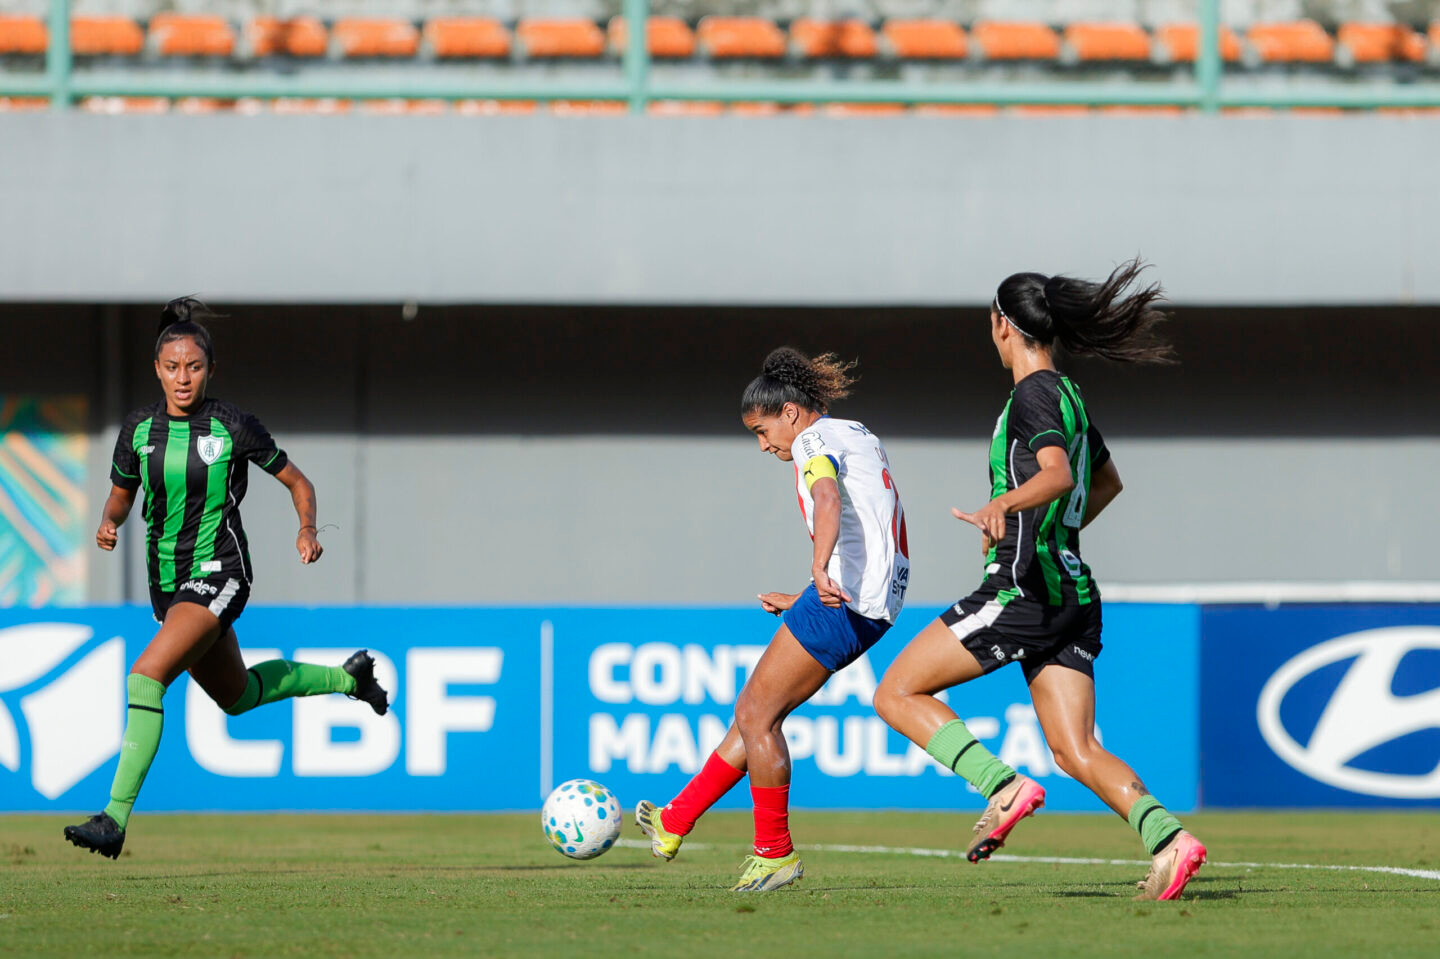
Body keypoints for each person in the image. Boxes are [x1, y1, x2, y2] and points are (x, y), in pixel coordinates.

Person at [872, 259, 1207, 901]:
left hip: (1023, 589)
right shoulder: (1069, 394)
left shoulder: (1032, 394)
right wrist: (1049, 527)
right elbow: (1102, 482)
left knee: (895, 694)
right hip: (1073, 593)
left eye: (988, 323)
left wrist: (1007, 508)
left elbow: (1057, 475)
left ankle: (1002, 787)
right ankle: (1171, 842)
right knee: (1075, 749)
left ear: (1004, 326)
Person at [64, 297, 388, 860]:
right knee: (237, 697)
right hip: (167, 587)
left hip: (220, 572)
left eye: (194, 366)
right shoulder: (139, 431)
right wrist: (107, 525)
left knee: (145, 678)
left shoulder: (232, 425)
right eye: (172, 367)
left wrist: (308, 529)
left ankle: (113, 819)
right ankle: (348, 680)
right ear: (157, 370)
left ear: (210, 369)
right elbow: (119, 501)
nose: (183, 377)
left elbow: (298, 482)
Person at [635, 347, 909, 891]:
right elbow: (870, 524)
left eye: (764, 432)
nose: (765, 446)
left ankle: (774, 854)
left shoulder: (812, 441)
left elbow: (828, 499)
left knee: (756, 714)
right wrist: (808, 590)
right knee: (754, 714)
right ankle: (675, 819)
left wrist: (818, 569)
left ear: (790, 411)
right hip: (869, 597)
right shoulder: (855, 432)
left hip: (846, 601)